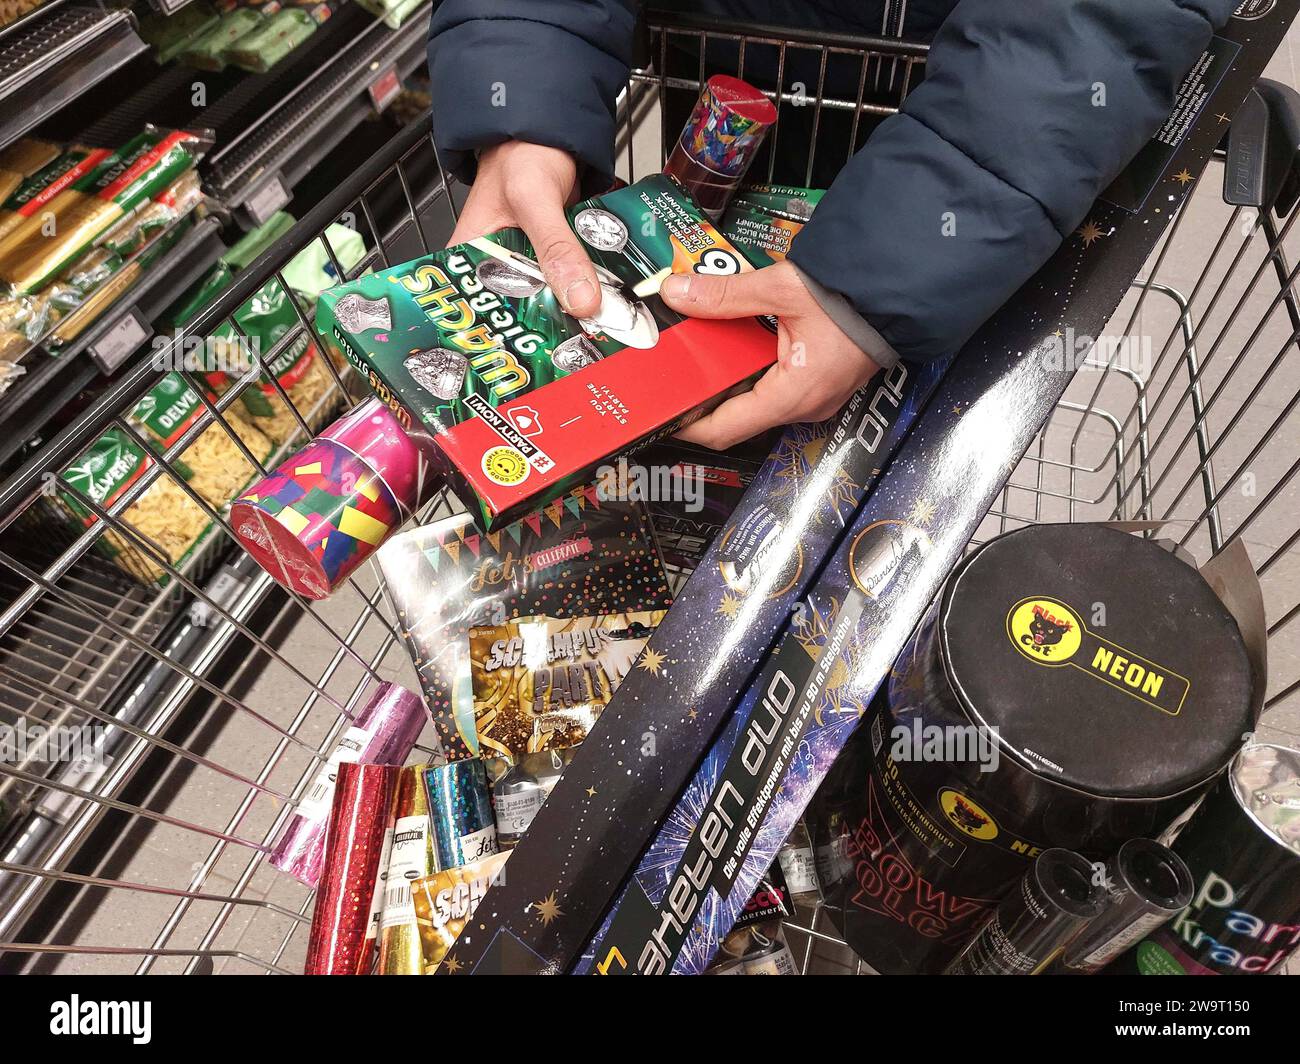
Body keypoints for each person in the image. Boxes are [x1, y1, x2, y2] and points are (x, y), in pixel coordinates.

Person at [428, 0, 1238, 448]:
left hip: (976, 140)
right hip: (729, 65)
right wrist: (522, 90)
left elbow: (1095, 26)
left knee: (863, 456)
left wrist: (885, 279)